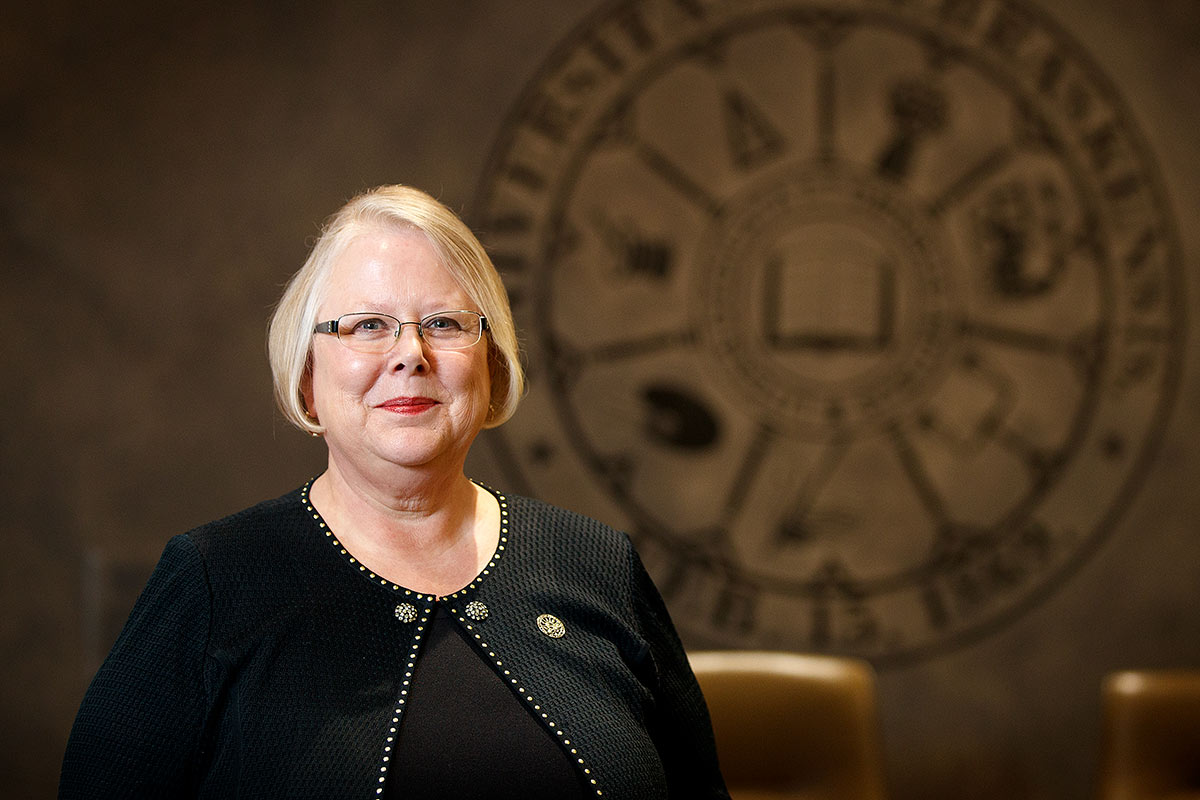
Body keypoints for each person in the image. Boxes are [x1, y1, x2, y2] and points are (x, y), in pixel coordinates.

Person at [60, 184, 730, 799]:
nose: (411, 353)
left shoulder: (599, 564)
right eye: (367, 326)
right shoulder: (212, 582)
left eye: (443, 323)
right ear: (306, 376)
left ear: (490, 368)